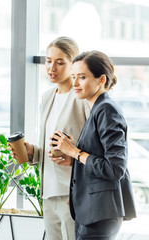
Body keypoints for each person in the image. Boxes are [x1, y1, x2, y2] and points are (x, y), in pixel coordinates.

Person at [10, 37, 89, 240]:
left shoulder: (81, 97)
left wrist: (74, 157)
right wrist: (33, 153)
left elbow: (90, 146)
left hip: (72, 192)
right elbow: (52, 146)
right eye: (48, 60)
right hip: (48, 192)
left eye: (60, 62)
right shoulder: (47, 96)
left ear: (74, 64)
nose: (51, 67)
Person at [51, 50, 136, 239]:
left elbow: (115, 168)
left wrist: (75, 152)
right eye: (73, 77)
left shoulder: (106, 109)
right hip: (92, 210)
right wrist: (74, 159)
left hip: (100, 214)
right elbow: (100, 159)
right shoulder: (97, 108)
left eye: (82, 77)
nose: (74, 83)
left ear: (101, 80)